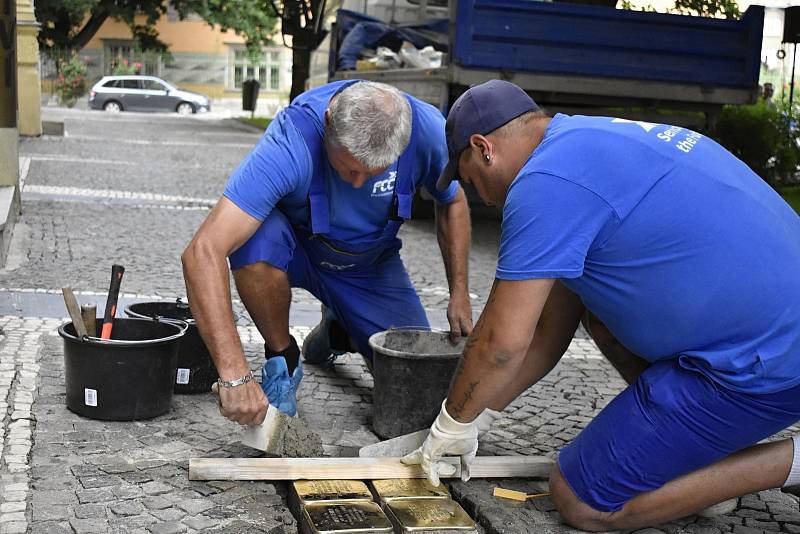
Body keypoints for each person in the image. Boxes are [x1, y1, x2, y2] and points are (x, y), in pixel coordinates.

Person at [402, 80, 800, 530]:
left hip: (765, 364)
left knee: (583, 501)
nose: (479, 194)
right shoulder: (584, 142)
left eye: (468, 176)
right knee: (595, 306)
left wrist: (450, 425)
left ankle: (788, 462)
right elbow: (547, 334)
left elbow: (500, 345)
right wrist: (479, 418)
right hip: (774, 331)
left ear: (483, 147)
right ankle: (693, 452)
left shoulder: (544, 183)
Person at [182, 80, 472, 426]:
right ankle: (283, 358)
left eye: (372, 173)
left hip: (368, 266)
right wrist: (234, 374)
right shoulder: (292, 140)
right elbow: (203, 251)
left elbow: (452, 202)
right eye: (349, 168)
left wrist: (459, 292)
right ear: (328, 121)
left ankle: (339, 329)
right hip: (293, 250)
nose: (356, 184)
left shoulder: (427, 131)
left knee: (416, 386)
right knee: (253, 238)